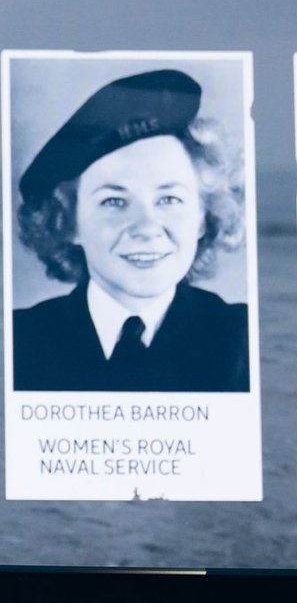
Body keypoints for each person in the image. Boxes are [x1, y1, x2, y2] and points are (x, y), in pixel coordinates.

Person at [13, 69, 249, 392]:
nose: (146, 228)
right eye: (114, 201)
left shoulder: (241, 339)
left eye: (169, 198)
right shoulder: (19, 341)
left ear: (203, 217)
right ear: (67, 222)